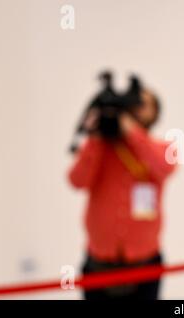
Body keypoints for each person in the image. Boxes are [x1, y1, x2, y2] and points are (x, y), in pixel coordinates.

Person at [68, 87, 176, 300]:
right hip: (98, 263)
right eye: (132, 104)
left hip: (145, 263)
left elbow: (165, 167)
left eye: (143, 104)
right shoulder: (100, 148)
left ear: (155, 114)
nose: (135, 109)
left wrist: (131, 131)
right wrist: (95, 137)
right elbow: (77, 181)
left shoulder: (162, 148)